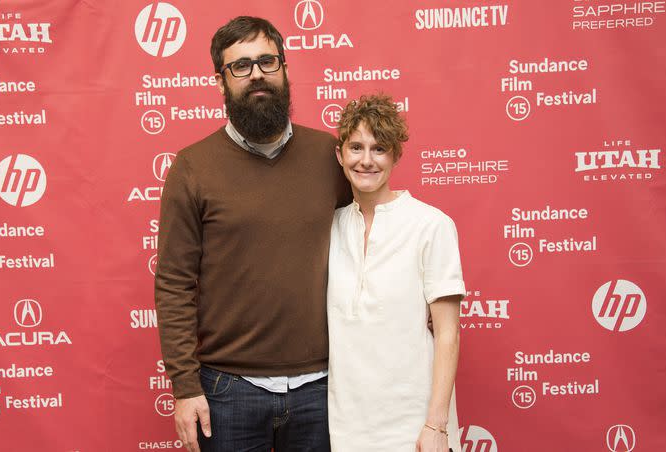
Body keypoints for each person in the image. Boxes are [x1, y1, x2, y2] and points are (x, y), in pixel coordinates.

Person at [153, 16, 350, 452]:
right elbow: (173, 285)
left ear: (284, 69)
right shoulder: (191, 167)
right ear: (221, 82)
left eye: (267, 61)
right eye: (240, 66)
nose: (257, 73)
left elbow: (373, 244)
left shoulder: (331, 157)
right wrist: (185, 388)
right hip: (228, 392)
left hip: (326, 387)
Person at [327, 94, 465, 452]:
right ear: (340, 155)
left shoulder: (431, 225)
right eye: (356, 147)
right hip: (345, 426)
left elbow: (447, 333)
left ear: (395, 156)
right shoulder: (329, 227)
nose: (366, 160)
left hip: (414, 425)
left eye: (379, 148)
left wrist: (437, 425)